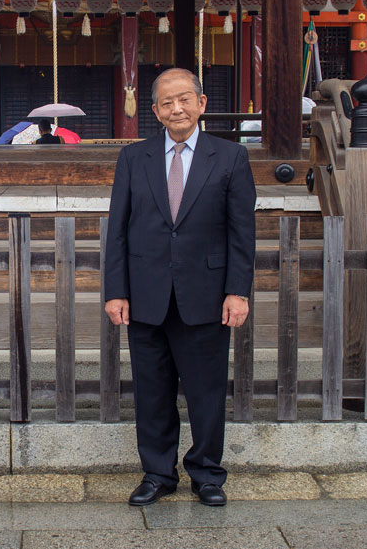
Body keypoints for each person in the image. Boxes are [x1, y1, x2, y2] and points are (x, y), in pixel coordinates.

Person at [104, 68, 256, 508]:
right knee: (152, 392)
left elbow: (241, 232)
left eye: (185, 99)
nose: (177, 109)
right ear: (155, 111)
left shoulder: (230, 158)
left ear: (202, 104)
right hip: (146, 293)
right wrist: (117, 290)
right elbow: (119, 229)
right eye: (167, 102)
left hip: (206, 294)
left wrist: (237, 290)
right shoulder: (135, 158)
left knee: (206, 391)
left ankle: (207, 474)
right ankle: (157, 473)